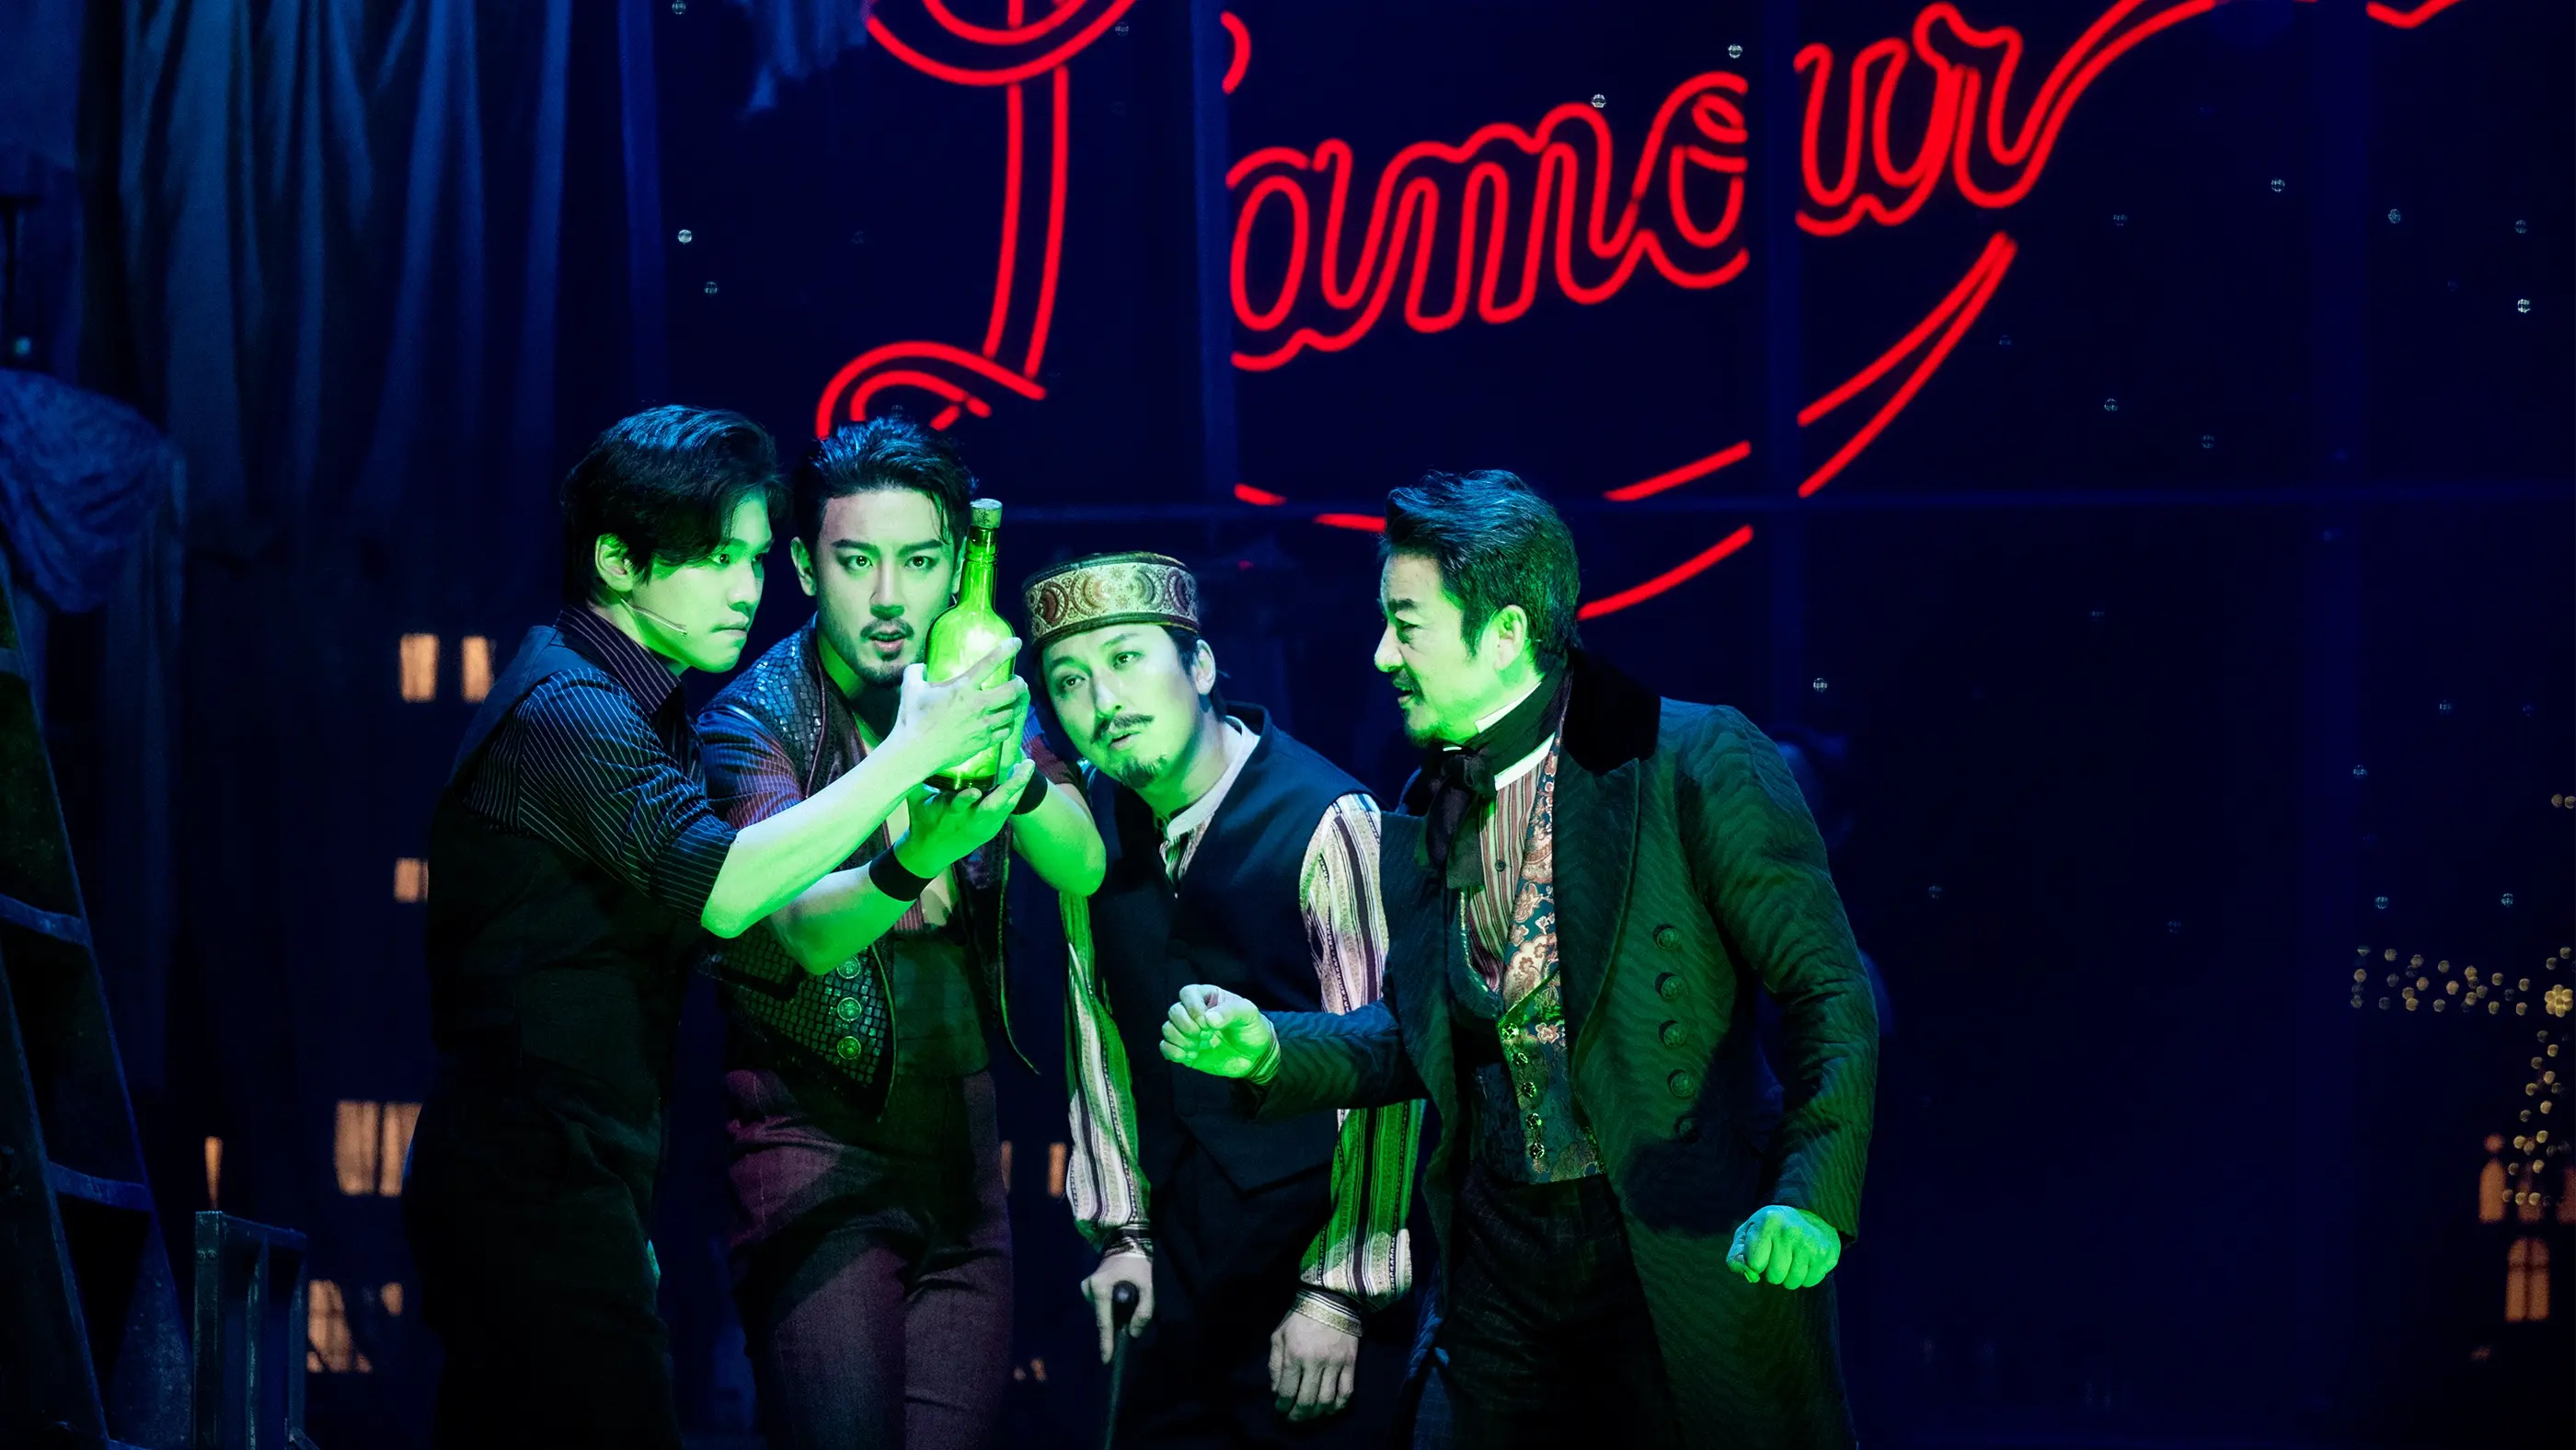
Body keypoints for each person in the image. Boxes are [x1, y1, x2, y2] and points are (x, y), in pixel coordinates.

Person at [1160, 471, 1880, 1450]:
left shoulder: (1689, 759)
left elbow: (1828, 994)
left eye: (1405, 626)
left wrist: (1809, 1201)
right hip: (1498, 1255)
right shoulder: (1425, 804)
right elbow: (1426, 1037)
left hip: (1665, 1235)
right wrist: (1269, 1050)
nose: (1380, 655)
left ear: (1503, 632)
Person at [406, 405, 1028, 1448]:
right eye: (711, 559)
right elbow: (734, 893)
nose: (744, 588)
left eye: (750, 558)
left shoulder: (634, 702)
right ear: (616, 557)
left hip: (579, 1176)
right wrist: (913, 754)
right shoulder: (569, 709)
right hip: (524, 1174)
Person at [696, 417, 1104, 1450]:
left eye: (919, 562)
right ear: (802, 564)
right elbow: (802, 934)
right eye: (857, 561)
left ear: (957, 565)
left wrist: (1001, 740)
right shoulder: (753, 718)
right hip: (808, 1150)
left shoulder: (973, 692)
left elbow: (1084, 862)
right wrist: (915, 848)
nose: (889, 596)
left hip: (961, 1154)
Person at [1027, 551, 1423, 1447]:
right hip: (1175, 1253)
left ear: (1200, 667)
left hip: (1306, 1261)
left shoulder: (1327, 818)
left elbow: (1385, 1062)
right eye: (1070, 680)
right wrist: (1120, 1230)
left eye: (1129, 659)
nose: (1104, 700)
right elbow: (1096, 1032)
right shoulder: (1087, 827)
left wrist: (1339, 1291)